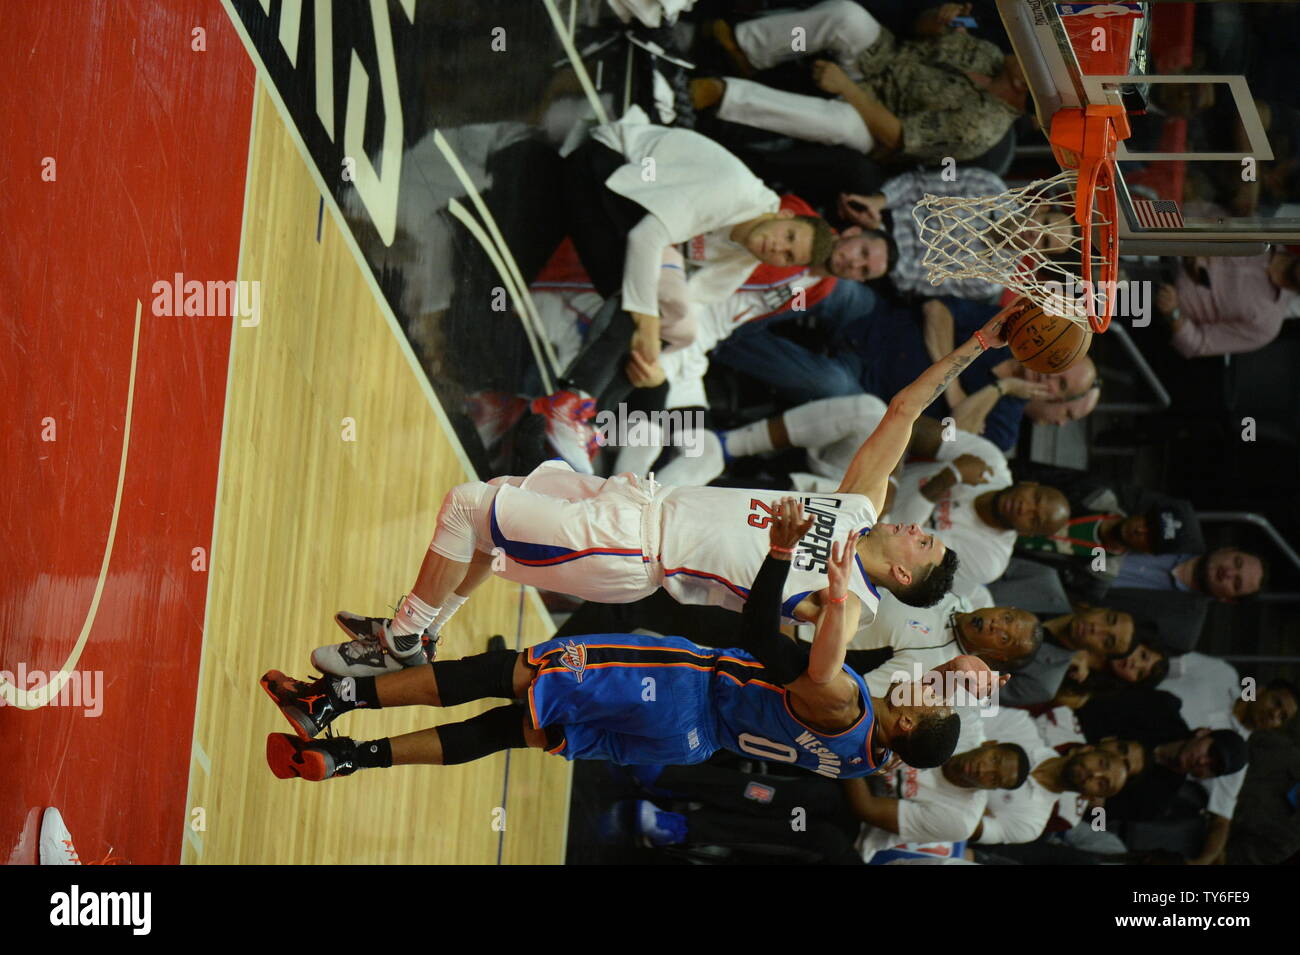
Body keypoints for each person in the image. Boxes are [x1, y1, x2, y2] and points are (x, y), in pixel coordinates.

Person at [311, 301, 1022, 677]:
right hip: (633, 502)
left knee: (469, 506)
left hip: (634, 550)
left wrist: (811, 587)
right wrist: (978, 347)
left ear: (903, 572)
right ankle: (424, 629)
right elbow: (901, 411)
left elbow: (801, 657)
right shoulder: (858, 509)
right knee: (488, 513)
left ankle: (400, 637)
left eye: (923, 541)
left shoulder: (852, 603)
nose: (919, 524)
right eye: (926, 529)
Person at [261, 500, 984, 781]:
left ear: (913, 719)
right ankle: (349, 757)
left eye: (927, 697)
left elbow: (763, 638)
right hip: (686, 742)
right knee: (512, 729)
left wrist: (778, 558)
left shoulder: (846, 697)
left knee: (504, 672)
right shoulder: (864, 760)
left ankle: (334, 701)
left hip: (681, 683)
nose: (921, 687)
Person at [692, 2, 1027, 166]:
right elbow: (918, 37)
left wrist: (846, 89)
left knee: (839, 121)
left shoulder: (981, 128)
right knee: (847, 17)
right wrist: (937, 21)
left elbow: (898, 137)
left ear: (1022, 86)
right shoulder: (991, 55)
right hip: (885, 59)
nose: (1023, 50)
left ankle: (723, 95)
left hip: (879, 123)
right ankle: (744, 51)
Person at [971, 707, 1129, 844]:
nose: (1095, 774)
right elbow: (964, 715)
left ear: (1089, 797)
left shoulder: (1032, 822)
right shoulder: (1021, 726)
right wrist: (978, 807)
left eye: (1102, 783)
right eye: (1102, 763)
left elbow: (965, 827)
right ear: (1087, 749)